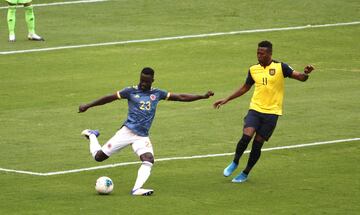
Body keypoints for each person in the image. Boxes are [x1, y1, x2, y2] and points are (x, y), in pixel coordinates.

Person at [79, 67, 214, 196]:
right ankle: (92, 135)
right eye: (141, 80)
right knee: (98, 157)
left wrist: (202, 96)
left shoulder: (157, 93)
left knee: (148, 159)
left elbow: (181, 97)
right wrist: (88, 105)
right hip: (127, 132)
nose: (143, 84)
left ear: (152, 81)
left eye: (146, 81)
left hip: (142, 136)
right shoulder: (130, 91)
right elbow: (108, 98)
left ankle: (137, 189)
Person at [213, 40, 315, 183]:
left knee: (257, 144)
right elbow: (245, 87)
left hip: (272, 112)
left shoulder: (281, 67)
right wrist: (227, 99)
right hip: (255, 109)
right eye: (257, 53)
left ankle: (245, 172)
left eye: (262, 53)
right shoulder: (253, 69)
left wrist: (305, 73)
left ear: (270, 54)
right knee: (246, 136)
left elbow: (300, 78)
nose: (259, 55)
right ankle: (235, 162)